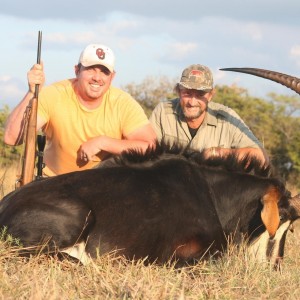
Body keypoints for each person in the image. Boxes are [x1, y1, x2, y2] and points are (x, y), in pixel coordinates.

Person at [4, 44, 156, 176]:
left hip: (101, 186)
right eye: (90, 69)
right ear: (77, 70)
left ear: (112, 77)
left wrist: (103, 142)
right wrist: (31, 92)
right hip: (52, 183)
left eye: (104, 71)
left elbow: (150, 147)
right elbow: (12, 138)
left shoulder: (123, 103)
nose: (97, 77)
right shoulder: (54, 94)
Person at [150, 64, 268, 164]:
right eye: (187, 93)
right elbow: (146, 151)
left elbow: (261, 158)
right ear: (178, 91)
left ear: (211, 95)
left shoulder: (227, 117)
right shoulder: (163, 112)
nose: (192, 102)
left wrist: (217, 153)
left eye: (200, 94)